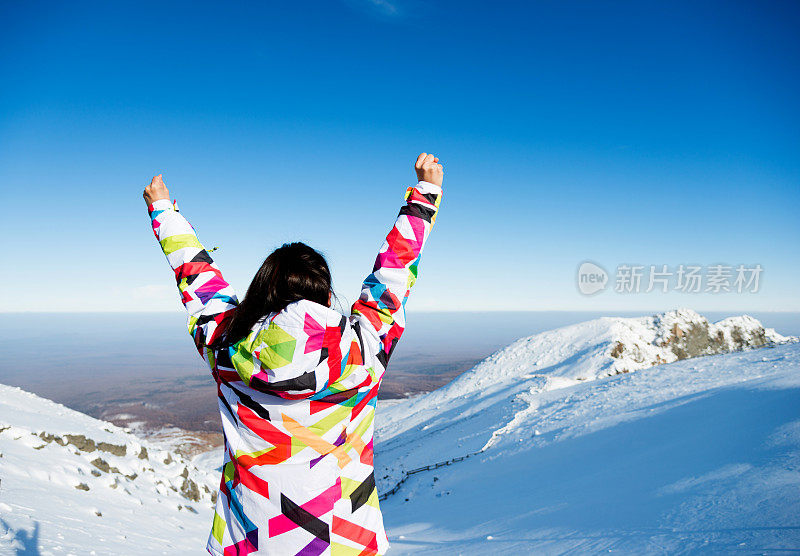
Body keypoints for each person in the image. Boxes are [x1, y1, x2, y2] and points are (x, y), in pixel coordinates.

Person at [142, 153, 444, 556]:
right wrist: (425, 194)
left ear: (262, 290)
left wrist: (163, 209)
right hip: (347, 542)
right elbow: (393, 274)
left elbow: (198, 281)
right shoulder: (363, 348)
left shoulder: (227, 347)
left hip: (250, 542)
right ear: (324, 293)